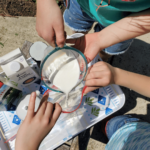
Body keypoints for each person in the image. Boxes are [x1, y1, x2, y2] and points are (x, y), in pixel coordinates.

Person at [15, 61, 150, 150]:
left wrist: (26, 146)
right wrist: (117, 75)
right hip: (138, 135)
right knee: (117, 125)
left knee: (118, 127)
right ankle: (114, 125)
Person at [36, 0, 150, 61]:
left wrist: (101, 40)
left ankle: (100, 59)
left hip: (128, 20)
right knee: (77, 34)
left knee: (106, 51)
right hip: (82, 4)